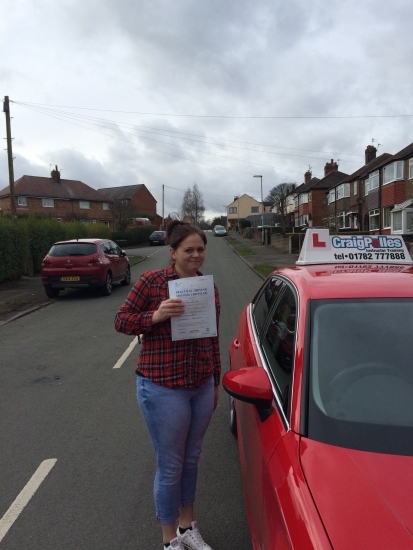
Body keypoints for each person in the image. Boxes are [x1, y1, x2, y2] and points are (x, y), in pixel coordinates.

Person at [114, 220, 221, 550]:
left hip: (200, 384)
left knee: (192, 460)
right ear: (172, 253)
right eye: (188, 250)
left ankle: (188, 526)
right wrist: (155, 316)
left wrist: (215, 382)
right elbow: (122, 321)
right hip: (162, 386)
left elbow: (212, 338)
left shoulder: (208, 287)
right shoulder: (152, 281)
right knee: (171, 464)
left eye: (200, 249)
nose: (195, 255)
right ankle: (169, 539)